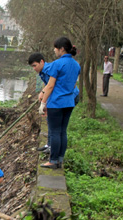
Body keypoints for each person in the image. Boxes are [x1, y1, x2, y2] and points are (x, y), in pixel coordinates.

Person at [40, 37, 81, 169]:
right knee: (63, 131)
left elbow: (50, 86)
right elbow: (74, 84)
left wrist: (43, 103)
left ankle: (53, 160)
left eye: (56, 48)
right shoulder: (76, 65)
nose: (54, 50)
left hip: (56, 102)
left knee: (55, 131)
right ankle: (60, 159)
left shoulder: (57, 64)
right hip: (69, 102)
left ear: (62, 49)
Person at [28, 52, 80, 154]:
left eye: (35, 65)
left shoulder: (48, 70)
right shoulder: (43, 71)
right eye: (32, 66)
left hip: (69, 97)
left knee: (56, 125)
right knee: (51, 121)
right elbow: (48, 86)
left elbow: (52, 87)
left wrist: (44, 103)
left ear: (41, 62)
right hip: (60, 97)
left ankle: (54, 151)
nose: (34, 68)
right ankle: (49, 145)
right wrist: (43, 92)